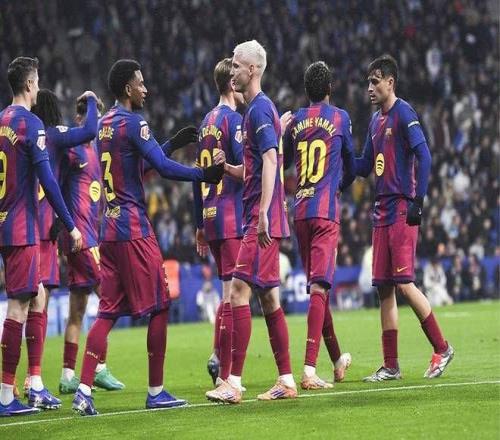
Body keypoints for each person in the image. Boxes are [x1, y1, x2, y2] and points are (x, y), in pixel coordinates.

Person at [72, 59, 224, 416]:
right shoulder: (133, 122)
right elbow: (163, 168)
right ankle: (156, 391)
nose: (146, 89)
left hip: (108, 230)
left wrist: (169, 143)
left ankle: (83, 390)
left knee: (107, 312)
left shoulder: (105, 125)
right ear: (128, 88)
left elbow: (137, 165)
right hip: (133, 230)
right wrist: (204, 174)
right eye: (141, 83)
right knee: (160, 304)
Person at [205, 40, 296, 404]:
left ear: (253, 69)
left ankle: (233, 382)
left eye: (237, 65)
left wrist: (262, 212)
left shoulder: (258, 110)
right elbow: (254, 168)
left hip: (259, 219)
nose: (232, 71)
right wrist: (227, 167)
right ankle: (286, 380)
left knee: (238, 293)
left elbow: (271, 160)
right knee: (269, 299)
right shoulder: (255, 111)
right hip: (261, 215)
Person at [354, 55, 454, 381]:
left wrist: (418, 201)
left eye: (375, 81)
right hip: (380, 210)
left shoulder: (404, 113)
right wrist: (339, 154)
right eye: (368, 82)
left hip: (400, 207)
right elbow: (364, 166)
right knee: (384, 289)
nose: (370, 88)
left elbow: (424, 155)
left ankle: (442, 347)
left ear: (390, 82)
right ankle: (391, 366)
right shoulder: (375, 121)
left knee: (404, 284)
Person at [0, 57, 82, 416]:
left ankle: (34, 385)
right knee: (18, 305)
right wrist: (70, 223)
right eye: (37, 82)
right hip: (22, 227)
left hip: (6, 223)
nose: (38, 88)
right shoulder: (30, 124)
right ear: (29, 84)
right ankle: (6, 395)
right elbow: (48, 181)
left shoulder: (1, 121)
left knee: (38, 295)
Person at [35, 95, 125, 394]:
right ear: (80, 120)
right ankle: (98, 367)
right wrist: (62, 223)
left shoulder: (95, 151)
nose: (93, 123)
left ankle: (66, 375)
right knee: (111, 297)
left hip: (87, 235)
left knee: (78, 308)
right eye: (90, 117)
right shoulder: (71, 148)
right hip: (80, 236)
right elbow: (54, 179)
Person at [282, 61, 354, 390]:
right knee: (319, 288)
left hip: (300, 211)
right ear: (329, 88)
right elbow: (351, 163)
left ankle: (337, 359)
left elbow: (283, 163)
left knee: (317, 288)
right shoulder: (340, 117)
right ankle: (309, 370)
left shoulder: (296, 120)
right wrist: (340, 184)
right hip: (325, 212)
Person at [183, 58, 245, 387]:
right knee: (236, 297)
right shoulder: (234, 121)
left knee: (226, 293)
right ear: (233, 84)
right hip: (232, 216)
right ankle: (226, 374)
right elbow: (246, 170)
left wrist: (198, 224)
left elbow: (197, 177)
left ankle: (218, 357)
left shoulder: (205, 122)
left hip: (210, 216)